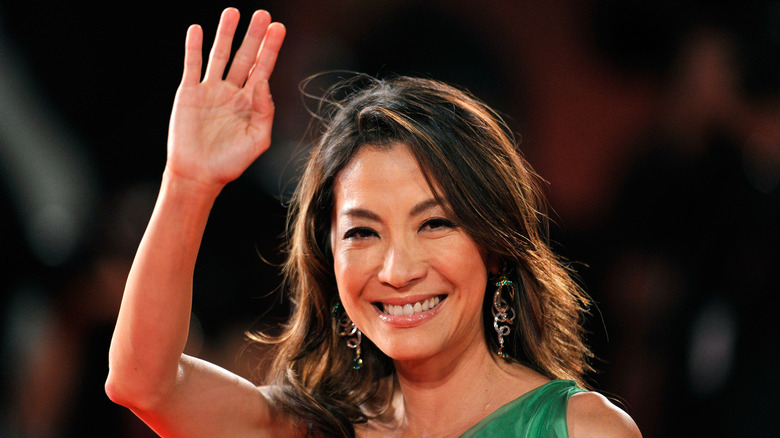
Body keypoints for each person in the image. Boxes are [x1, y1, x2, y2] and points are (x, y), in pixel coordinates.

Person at [105, 8, 641, 437]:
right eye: (362, 232)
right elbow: (143, 383)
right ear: (329, 261)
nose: (398, 269)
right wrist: (188, 183)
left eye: (434, 224)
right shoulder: (311, 429)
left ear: (495, 245)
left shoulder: (582, 430)